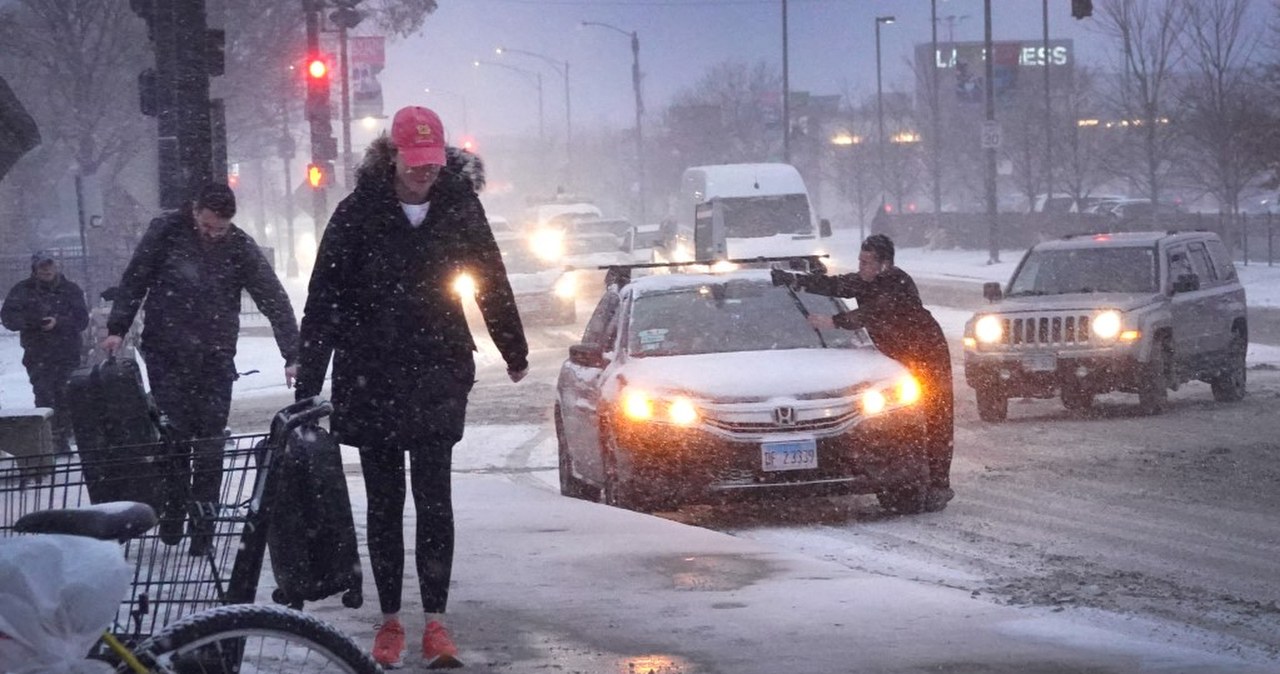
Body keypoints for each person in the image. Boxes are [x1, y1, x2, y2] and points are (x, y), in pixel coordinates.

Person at [294, 105, 529, 670]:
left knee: (434, 500)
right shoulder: (357, 213)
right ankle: (392, 621)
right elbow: (323, 297)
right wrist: (309, 377)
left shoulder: (458, 206)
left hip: (436, 367)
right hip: (369, 370)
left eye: (431, 162)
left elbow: (491, 277)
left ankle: (438, 624)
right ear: (392, 155)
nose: (423, 172)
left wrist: (512, 349)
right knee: (383, 502)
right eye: (414, 161)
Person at [102, 183, 300, 555]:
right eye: (208, 226)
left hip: (215, 356)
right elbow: (136, 278)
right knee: (174, 437)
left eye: (220, 229)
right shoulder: (166, 233)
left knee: (210, 443)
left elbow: (272, 296)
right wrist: (117, 328)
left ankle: (202, 529)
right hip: (166, 352)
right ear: (194, 211)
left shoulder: (239, 246)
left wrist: (292, 352)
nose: (213, 234)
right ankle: (174, 511)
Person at [772, 234, 955, 512]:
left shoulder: (898, 283)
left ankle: (938, 484)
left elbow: (874, 312)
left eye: (867, 262)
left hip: (928, 353)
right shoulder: (864, 280)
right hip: (898, 354)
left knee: (934, 416)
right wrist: (796, 280)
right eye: (860, 260)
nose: (861, 267)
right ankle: (914, 475)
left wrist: (833, 321)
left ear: (885, 264)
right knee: (908, 418)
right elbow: (836, 285)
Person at [1, 252, 89, 453]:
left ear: (56, 266)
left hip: (67, 353)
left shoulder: (70, 290)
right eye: (42, 267)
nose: (46, 270)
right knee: (44, 396)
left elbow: (82, 320)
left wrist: (58, 322)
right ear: (35, 269)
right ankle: (51, 440)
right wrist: (34, 323)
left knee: (66, 396)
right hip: (37, 353)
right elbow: (8, 318)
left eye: (49, 265)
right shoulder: (22, 290)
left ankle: (64, 436)